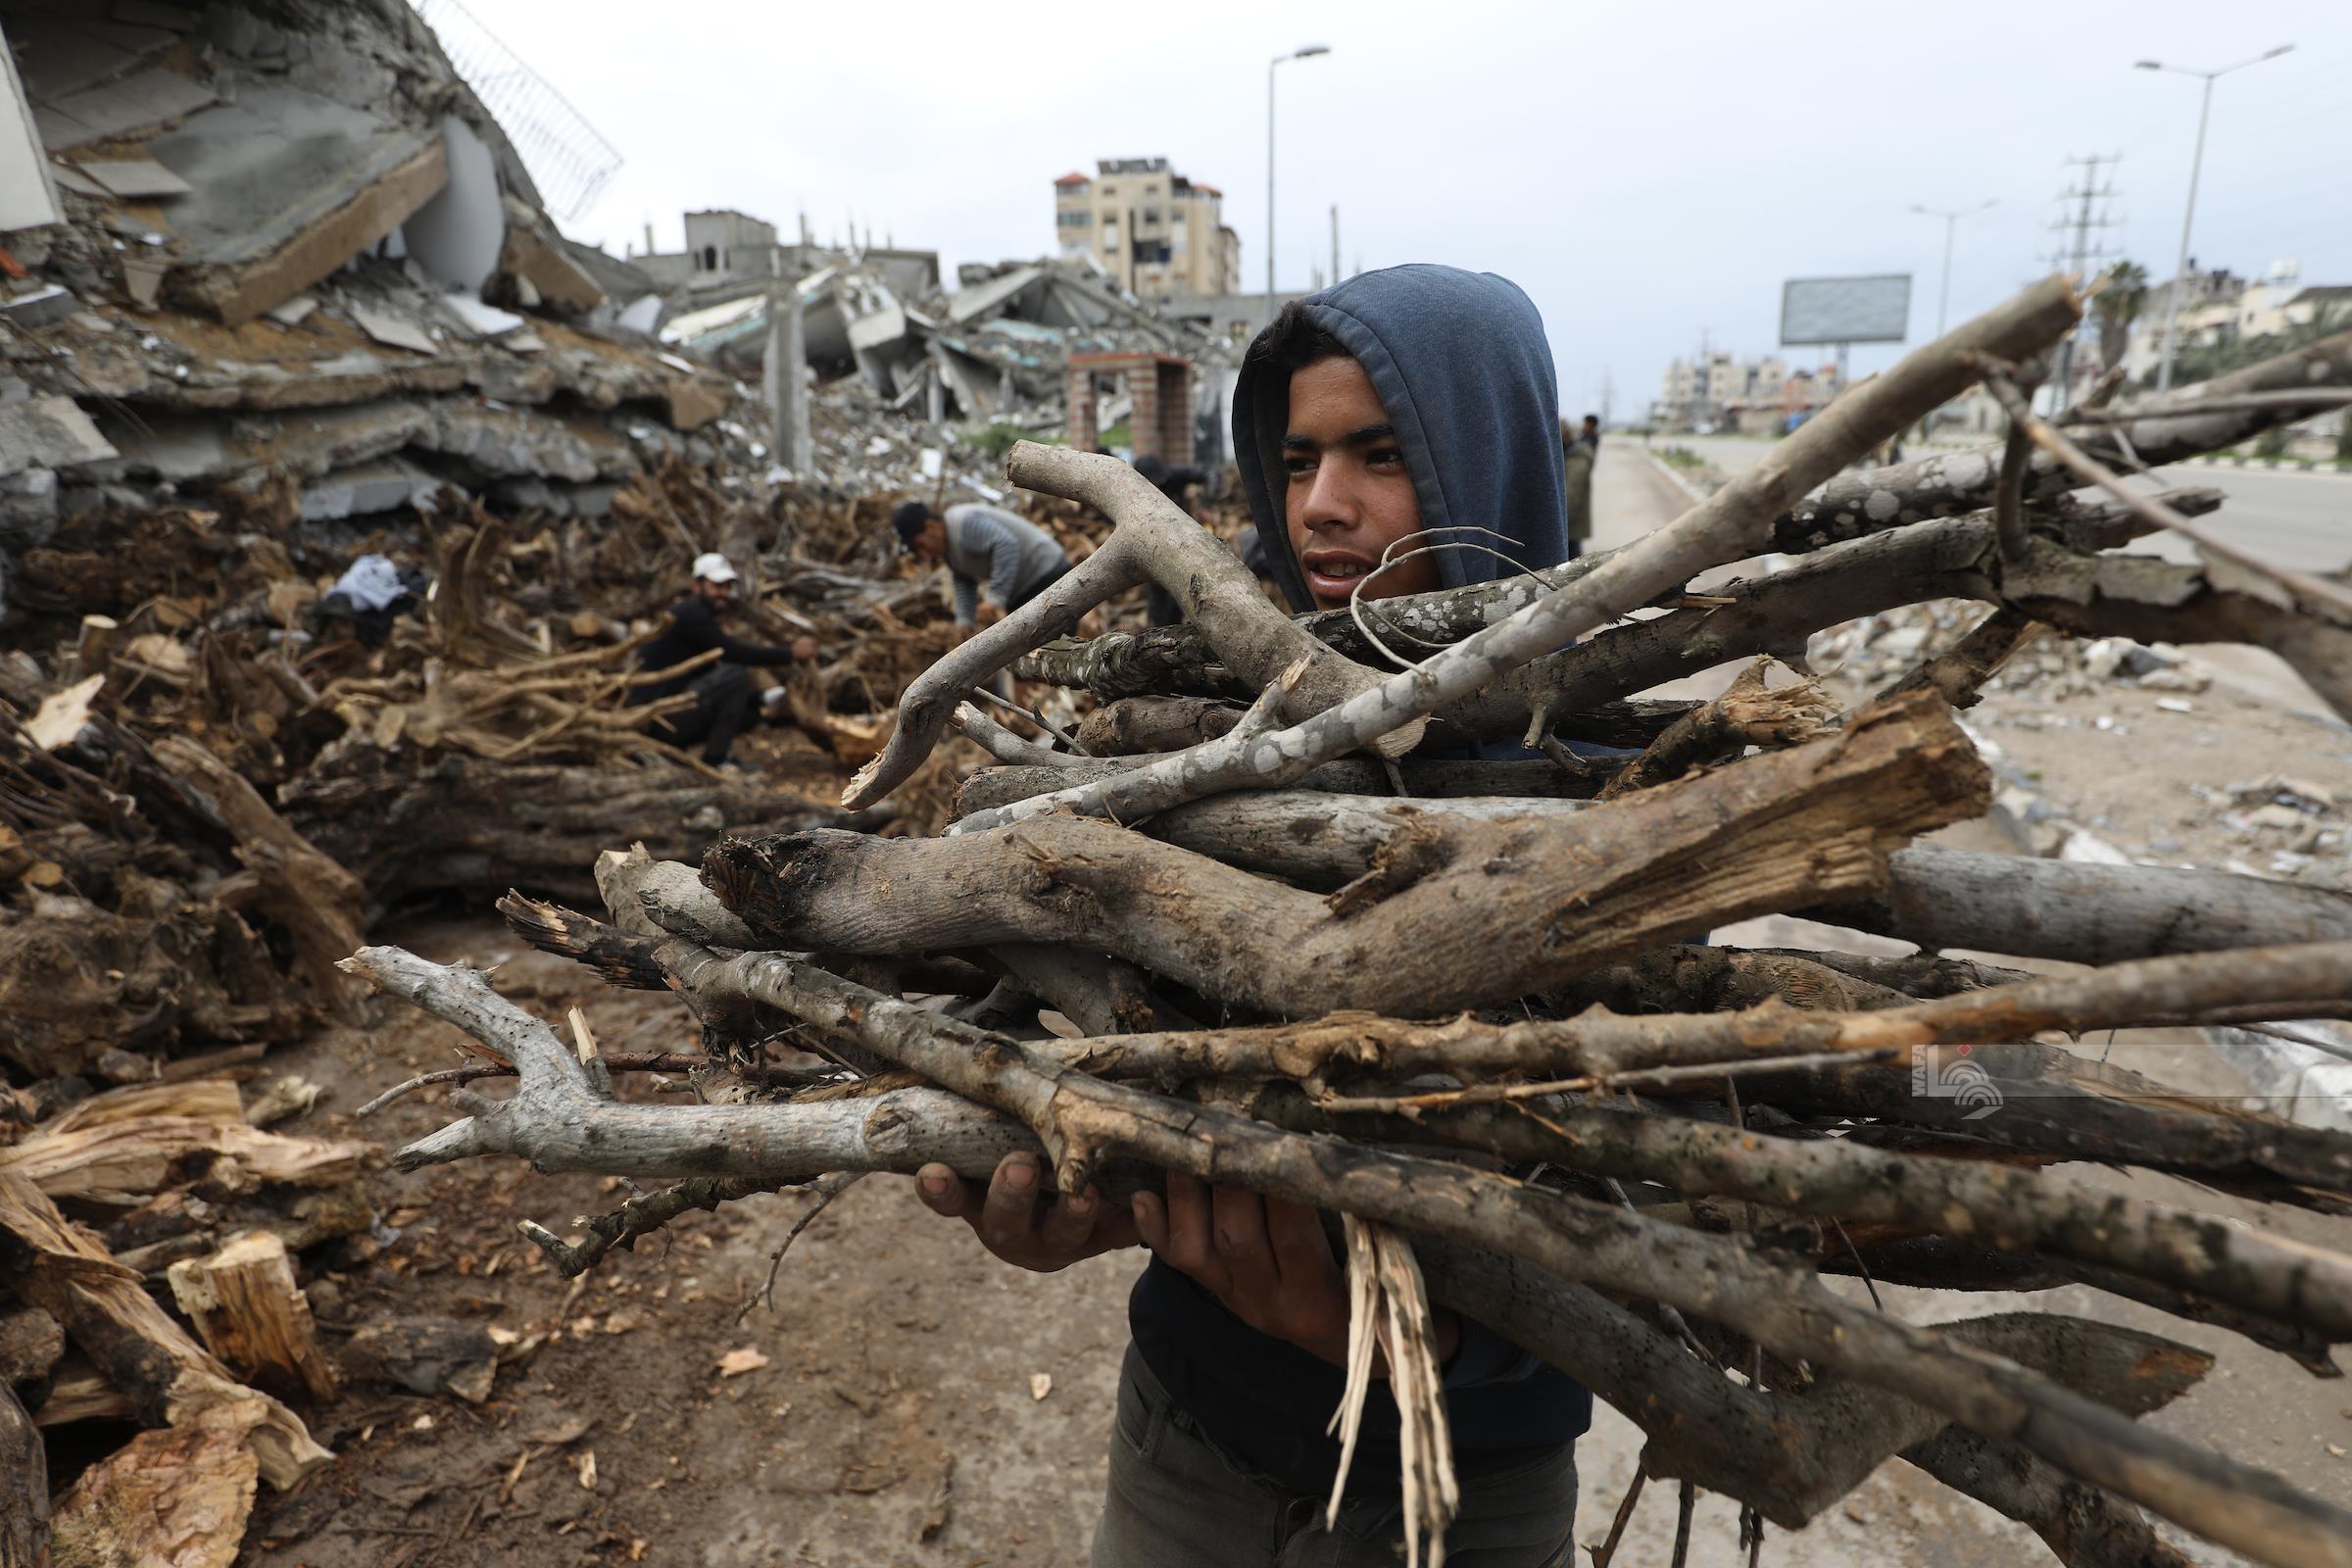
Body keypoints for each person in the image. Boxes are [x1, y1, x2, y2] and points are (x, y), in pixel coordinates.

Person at [918, 265, 1587, 1568]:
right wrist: (1079, 1202)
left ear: (1488, 458)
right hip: (1188, 1448)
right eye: (1296, 460)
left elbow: (1660, 1220)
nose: (1321, 504)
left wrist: (1428, 1338)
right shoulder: (1218, 749)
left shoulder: (1609, 787)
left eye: (1382, 455)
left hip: (1466, 1500)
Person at [628, 552, 816, 767]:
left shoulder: (698, 615)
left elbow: (707, 669)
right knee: (735, 677)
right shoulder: (691, 613)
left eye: (728, 587)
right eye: (717, 586)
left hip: (668, 716)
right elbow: (731, 652)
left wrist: (758, 698)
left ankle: (714, 753)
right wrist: (790, 653)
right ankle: (715, 759)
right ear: (697, 586)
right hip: (657, 720)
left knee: (750, 712)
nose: (724, 593)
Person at [892, 498, 1072, 641]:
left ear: (931, 526)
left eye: (921, 545)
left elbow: (1005, 545)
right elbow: (963, 579)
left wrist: (994, 598)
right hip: (1024, 591)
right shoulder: (949, 550)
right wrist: (965, 621)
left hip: (1047, 573)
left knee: (1055, 646)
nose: (924, 553)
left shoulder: (963, 523)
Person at [1131, 454, 1210, 626]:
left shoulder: (1176, 476)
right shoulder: (1135, 495)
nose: (1157, 488)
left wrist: (1206, 504)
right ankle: (1159, 628)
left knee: (1189, 590)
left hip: (1186, 540)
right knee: (1159, 596)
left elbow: (1208, 475)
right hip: (1155, 547)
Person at [1560, 414, 1599, 560]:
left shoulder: (1577, 459)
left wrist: (1557, 523)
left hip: (1570, 527)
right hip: (1569, 527)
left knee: (1572, 561)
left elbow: (1572, 496)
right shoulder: (1571, 454)